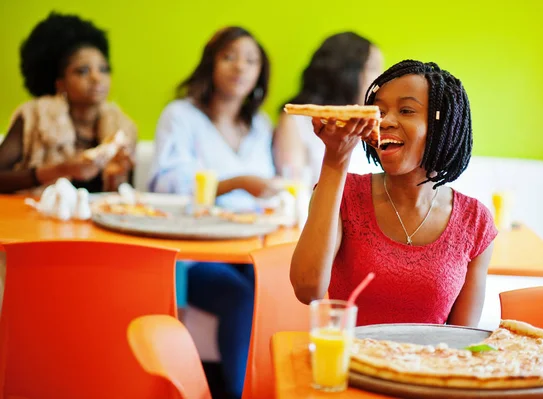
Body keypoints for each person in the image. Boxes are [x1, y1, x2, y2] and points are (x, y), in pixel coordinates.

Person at [290, 60, 497, 328]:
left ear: (442, 124)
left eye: (406, 110)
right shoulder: (344, 194)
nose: (385, 121)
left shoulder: (475, 221)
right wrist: (335, 158)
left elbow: (463, 338)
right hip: (351, 365)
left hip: (431, 368)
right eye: (379, 111)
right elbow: (307, 289)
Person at [147, 26, 275, 399]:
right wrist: (234, 183)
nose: (240, 67)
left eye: (251, 61)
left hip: (247, 246)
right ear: (211, 64)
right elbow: (165, 183)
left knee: (276, 288)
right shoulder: (180, 115)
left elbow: (263, 191)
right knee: (239, 296)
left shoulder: (259, 126)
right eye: (230, 56)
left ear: (259, 76)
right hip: (192, 252)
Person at [0, 12, 137, 194]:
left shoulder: (123, 127)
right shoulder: (34, 117)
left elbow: (124, 197)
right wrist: (61, 170)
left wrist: (120, 175)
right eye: (82, 71)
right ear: (60, 84)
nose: (97, 78)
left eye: (104, 69)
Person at [273, 32, 384, 186]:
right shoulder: (296, 121)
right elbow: (293, 187)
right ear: (347, 73)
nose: (381, 78)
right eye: (373, 68)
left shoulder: (377, 125)